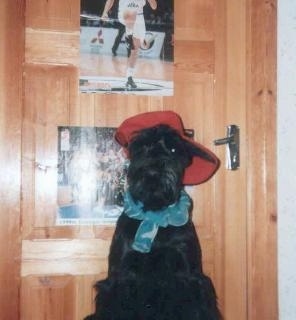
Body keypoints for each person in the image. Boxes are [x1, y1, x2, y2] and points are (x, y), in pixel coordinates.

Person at [102, 0, 157, 89]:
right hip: (124, 13)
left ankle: (129, 77)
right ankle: (129, 35)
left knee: (136, 50)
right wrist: (105, 12)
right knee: (131, 13)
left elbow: (154, 7)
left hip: (139, 17)